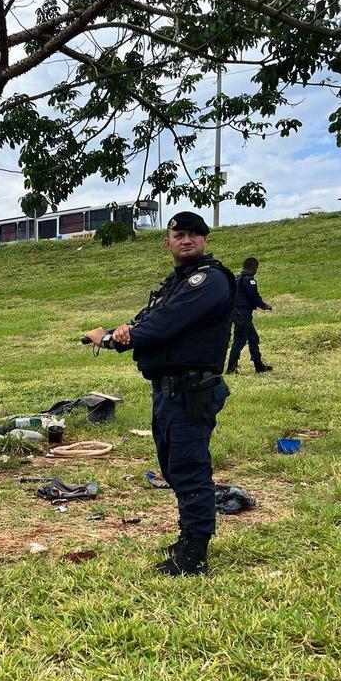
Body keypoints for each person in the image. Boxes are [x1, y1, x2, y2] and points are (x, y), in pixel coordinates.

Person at [84, 211, 236, 576]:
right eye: (180, 234)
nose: (187, 240)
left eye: (195, 235)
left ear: (205, 240)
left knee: (189, 466)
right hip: (169, 390)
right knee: (173, 466)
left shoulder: (208, 280)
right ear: (167, 241)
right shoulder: (176, 283)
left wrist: (111, 337)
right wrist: (121, 333)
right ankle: (188, 537)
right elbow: (147, 322)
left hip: (192, 389)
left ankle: (194, 553)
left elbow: (163, 326)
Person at [226, 256, 273, 374]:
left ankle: (258, 365)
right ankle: (231, 368)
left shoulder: (237, 279)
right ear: (254, 268)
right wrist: (264, 305)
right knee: (240, 341)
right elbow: (254, 296)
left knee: (252, 339)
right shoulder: (249, 280)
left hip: (236, 314)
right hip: (243, 315)